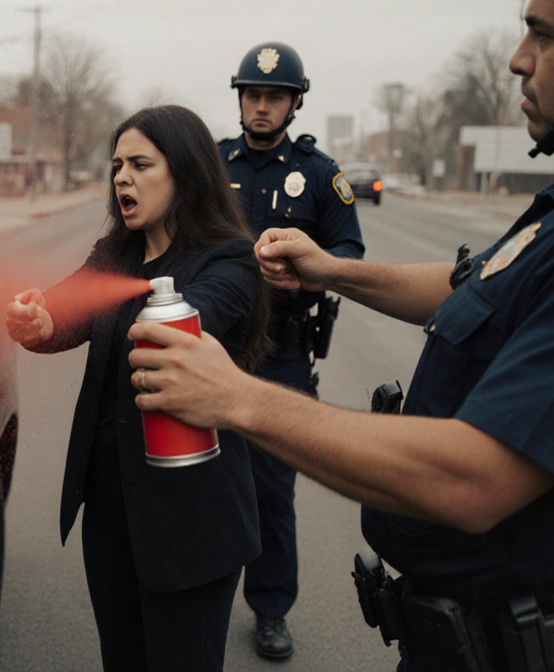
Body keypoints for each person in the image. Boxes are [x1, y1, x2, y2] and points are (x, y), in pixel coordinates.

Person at [130, 1, 554, 669]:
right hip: (474, 634)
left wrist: (240, 400)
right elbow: (476, 287)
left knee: (268, 496)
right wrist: (333, 270)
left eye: (543, 35)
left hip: (540, 642)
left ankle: (271, 607)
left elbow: (476, 479)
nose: (518, 59)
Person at [4, 105, 272, 671]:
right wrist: (41, 320)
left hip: (190, 527)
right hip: (109, 514)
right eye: (117, 164)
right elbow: (68, 309)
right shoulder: (115, 255)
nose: (121, 176)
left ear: (185, 172)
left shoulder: (228, 259)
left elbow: (186, 325)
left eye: (140, 164)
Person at [218, 40, 366, 659]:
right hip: (214, 345)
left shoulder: (320, 172)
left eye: (273, 96)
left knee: (272, 489)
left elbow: (350, 254)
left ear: (293, 103)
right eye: (252, 94)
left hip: (281, 353)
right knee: (200, 478)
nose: (260, 106)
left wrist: (312, 274)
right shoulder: (210, 165)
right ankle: (195, 590)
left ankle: (271, 608)